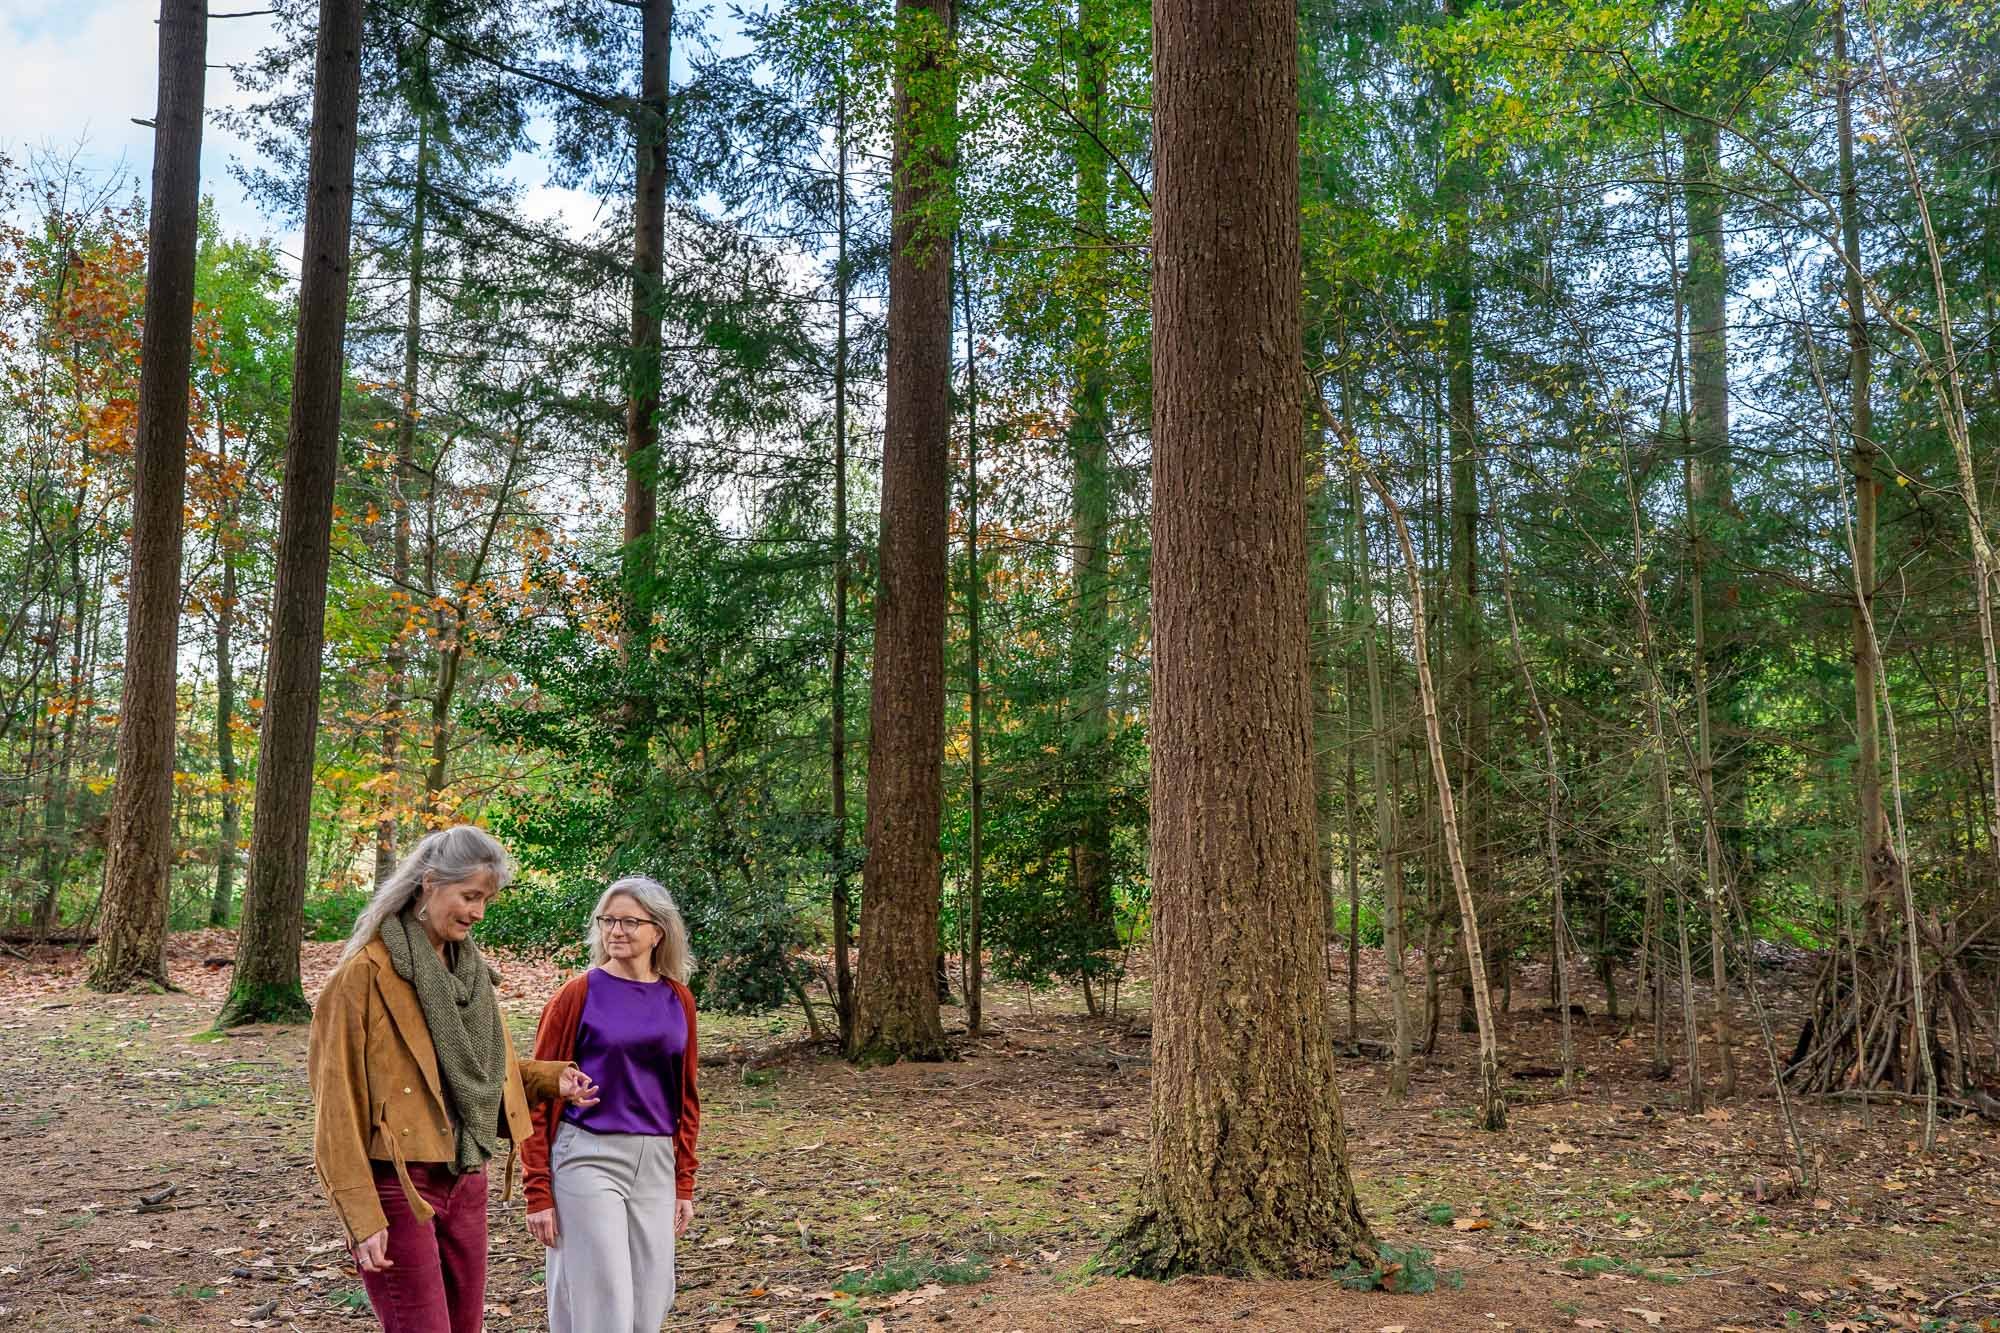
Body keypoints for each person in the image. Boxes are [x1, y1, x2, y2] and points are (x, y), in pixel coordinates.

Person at [307, 825, 602, 1333]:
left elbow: (481, 1073)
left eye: (485, 900)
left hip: (467, 1174)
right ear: (428, 883)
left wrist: (553, 1081)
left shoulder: (470, 973)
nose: (477, 912)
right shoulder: (362, 976)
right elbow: (337, 1107)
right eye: (469, 896)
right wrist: (361, 1216)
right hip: (399, 1183)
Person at [522, 876, 701, 1333]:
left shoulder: (678, 998)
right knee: (604, 1299)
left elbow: (685, 1096)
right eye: (608, 920)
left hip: (656, 1160)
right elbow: (537, 1094)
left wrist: (683, 1181)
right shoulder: (578, 993)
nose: (616, 930)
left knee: (650, 1298)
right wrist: (538, 1190)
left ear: (658, 931)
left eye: (629, 922)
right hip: (588, 1155)